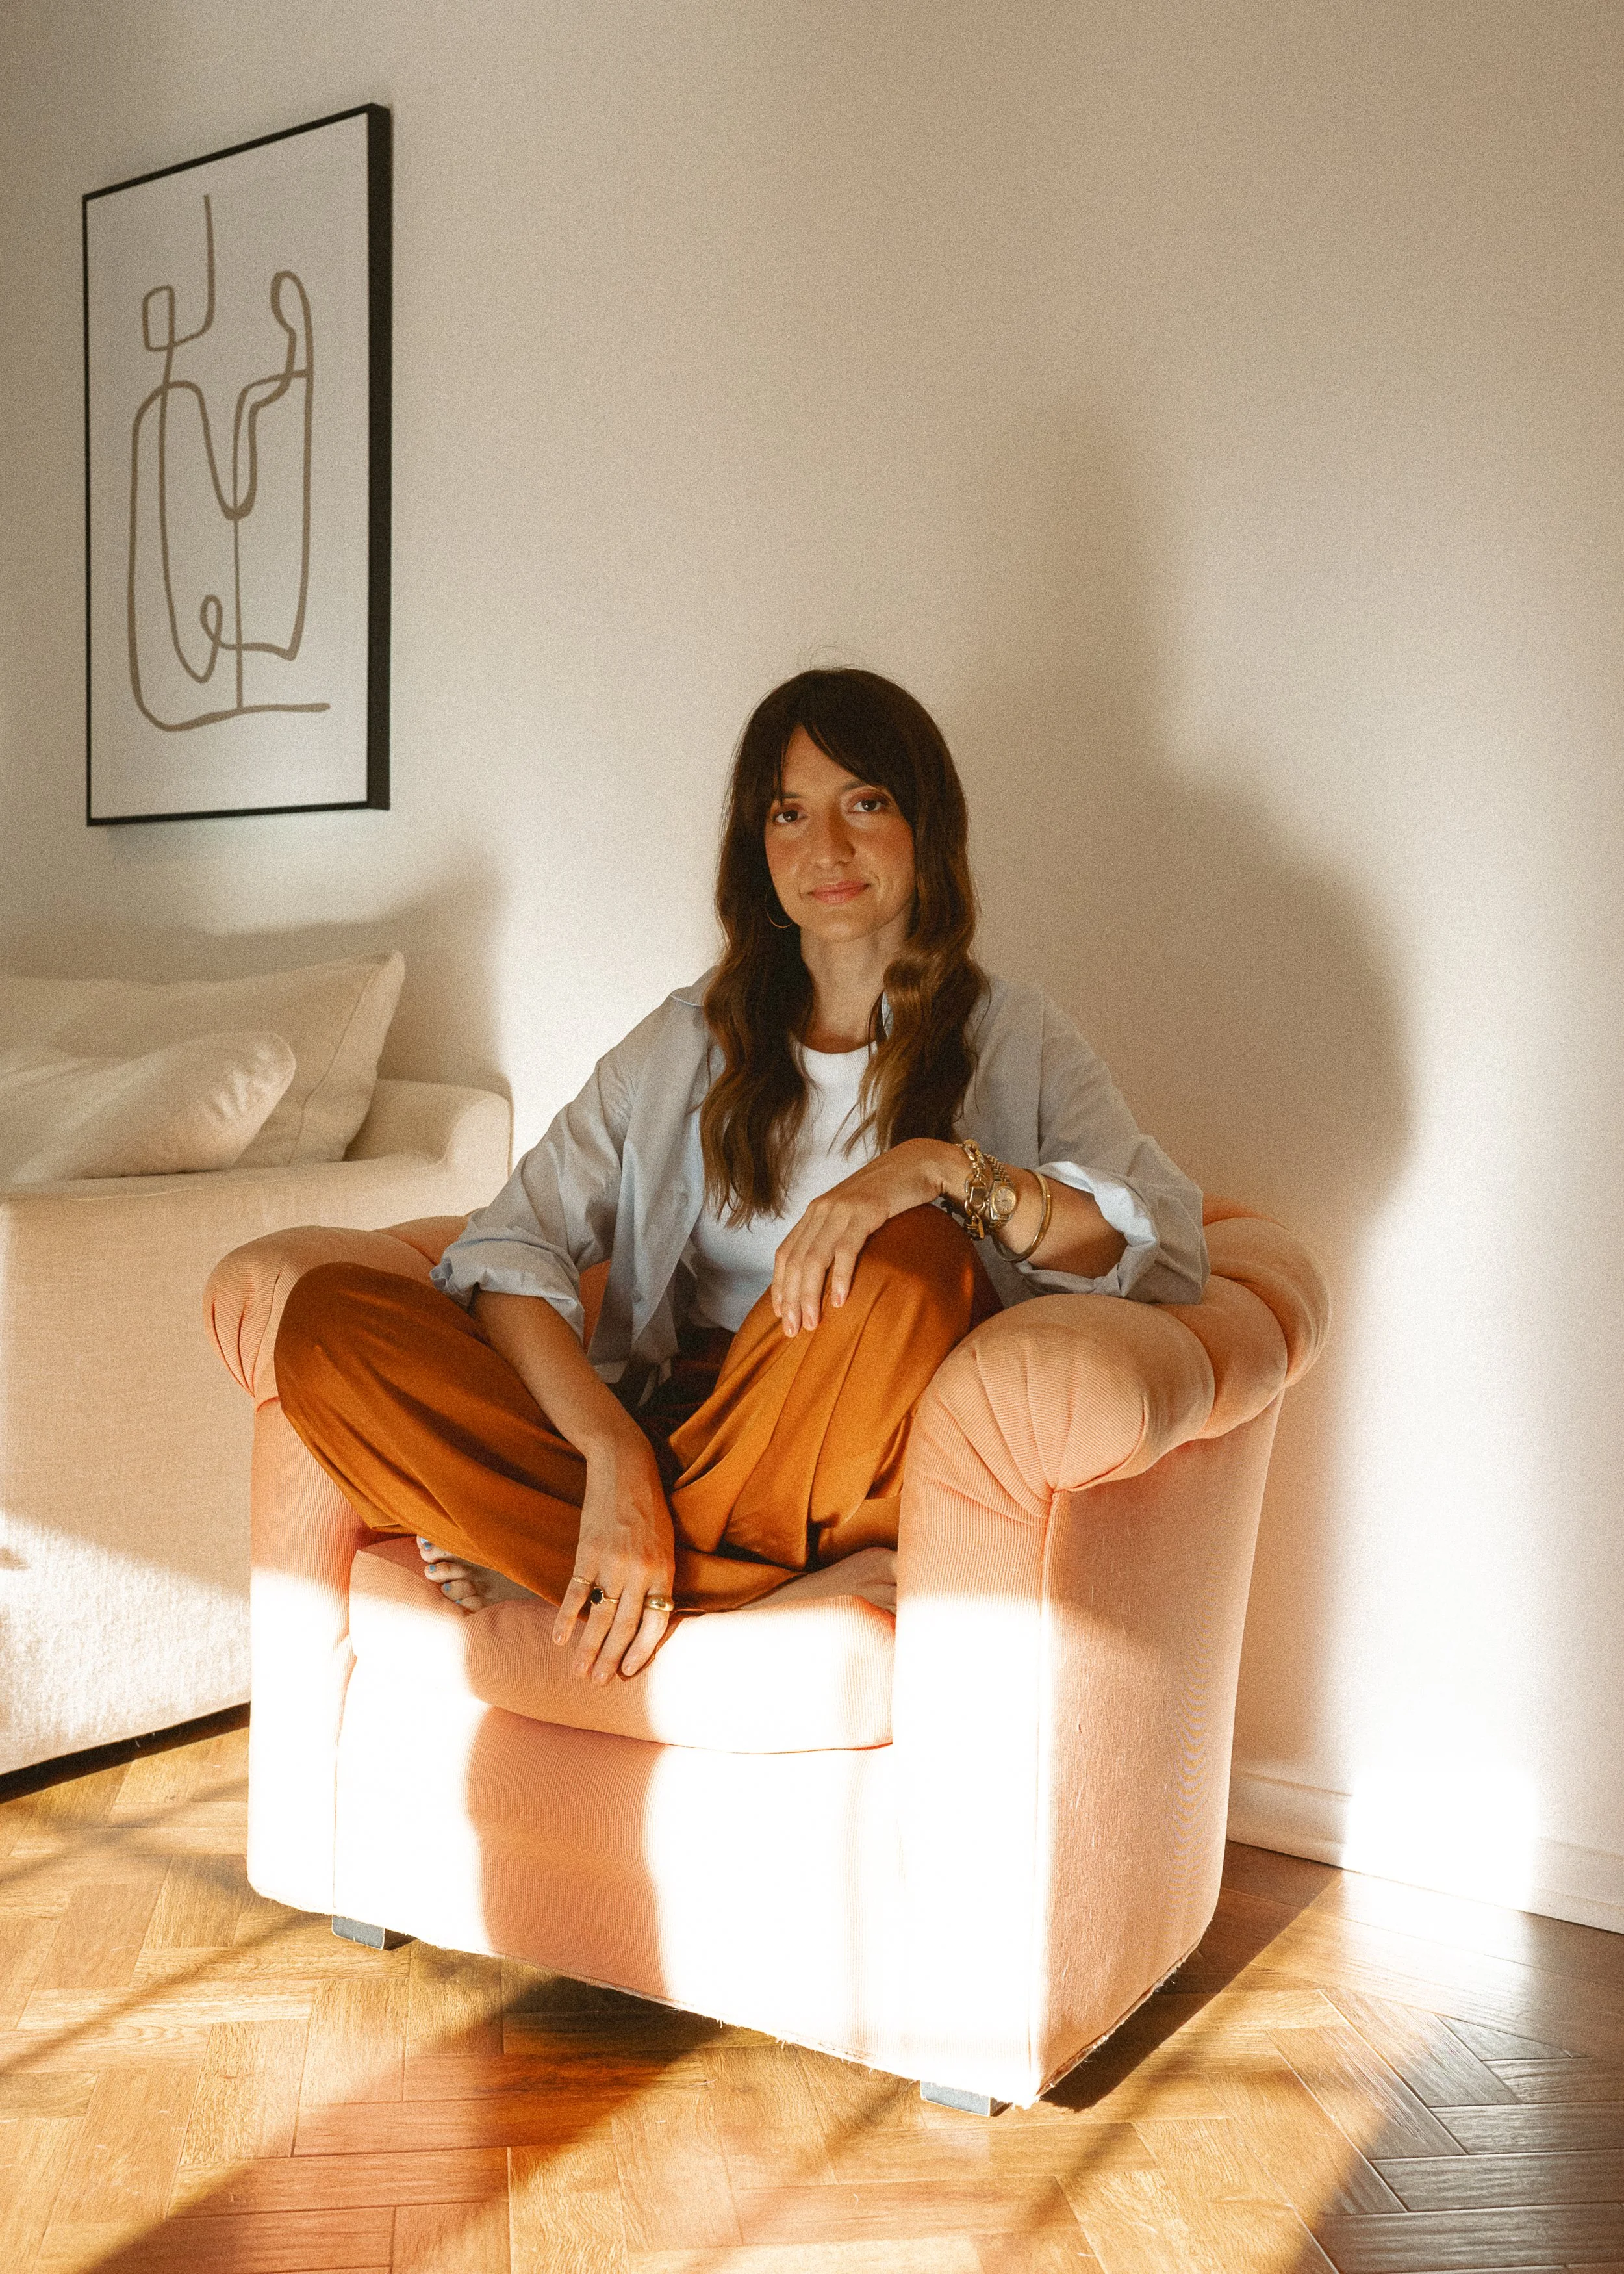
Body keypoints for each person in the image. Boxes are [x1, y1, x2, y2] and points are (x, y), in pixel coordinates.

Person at [273, 669, 1207, 1689]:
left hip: (848, 1455)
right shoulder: (686, 1039)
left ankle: (571, 1571)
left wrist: (932, 1170)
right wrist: (609, 1458)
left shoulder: (1017, 1038)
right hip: (674, 1433)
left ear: (926, 828)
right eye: (789, 813)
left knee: (909, 1257)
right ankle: (729, 1582)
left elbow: (1155, 1248)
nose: (827, 849)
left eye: (866, 803)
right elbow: (511, 1244)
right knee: (324, 1323)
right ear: (756, 848)